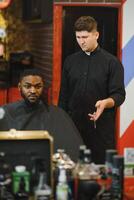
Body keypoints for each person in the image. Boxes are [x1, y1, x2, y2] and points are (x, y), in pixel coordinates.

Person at [58, 16, 126, 164]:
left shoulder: (112, 63)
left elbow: (119, 95)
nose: (81, 41)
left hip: (100, 129)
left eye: (85, 37)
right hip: (73, 127)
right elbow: (63, 97)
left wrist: (106, 102)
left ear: (96, 35)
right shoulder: (70, 61)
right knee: (72, 168)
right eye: (78, 37)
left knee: (100, 170)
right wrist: (61, 123)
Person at [0, 68, 83, 161]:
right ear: (19, 87)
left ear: (43, 87)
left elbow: (73, 151)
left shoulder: (56, 114)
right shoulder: (6, 112)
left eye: (38, 86)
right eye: (27, 86)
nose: (33, 91)